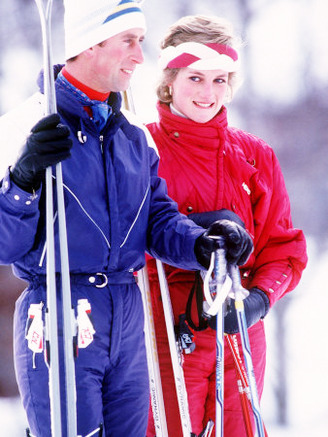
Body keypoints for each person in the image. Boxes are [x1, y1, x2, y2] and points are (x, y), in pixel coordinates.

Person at [0, 3, 255, 437]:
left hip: (128, 314)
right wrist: (21, 180)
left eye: (140, 41)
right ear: (88, 44)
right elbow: (5, 246)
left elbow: (156, 219)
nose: (140, 56)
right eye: (128, 42)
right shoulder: (25, 127)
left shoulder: (134, 135)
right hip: (60, 310)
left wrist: (201, 244)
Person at [145, 14, 308, 437]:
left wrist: (258, 301)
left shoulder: (254, 156)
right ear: (169, 80)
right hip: (166, 332)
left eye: (220, 79)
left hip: (239, 333)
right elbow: (123, 237)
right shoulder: (140, 147)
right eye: (196, 78)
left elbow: (283, 249)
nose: (208, 92)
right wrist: (196, 232)